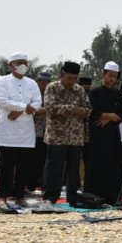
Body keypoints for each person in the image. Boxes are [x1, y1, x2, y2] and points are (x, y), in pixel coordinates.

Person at [0, 52, 42, 206]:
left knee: (24, 165)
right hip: (7, 131)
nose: (23, 66)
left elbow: (38, 102)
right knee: (6, 166)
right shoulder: (2, 81)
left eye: (25, 63)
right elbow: (1, 100)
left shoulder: (32, 83)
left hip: (25, 132)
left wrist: (20, 110)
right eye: (19, 62)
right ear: (11, 65)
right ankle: (4, 196)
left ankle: (19, 195)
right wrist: (24, 107)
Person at [42, 61, 91, 205]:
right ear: (61, 75)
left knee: (73, 170)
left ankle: (73, 197)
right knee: (54, 169)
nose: (72, 82)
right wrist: (72, 109)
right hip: (56, 137)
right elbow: (50, 108)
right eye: (69, 78)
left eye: (75, 78)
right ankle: (51, 197)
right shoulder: (52, 88)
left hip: (75, 137)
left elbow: (88, 109)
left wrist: (78, 111)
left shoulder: (79, 90)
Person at [86, 62, 122, 205]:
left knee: (113, 165)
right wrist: (107, 115)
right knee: (97, 164)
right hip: (98, 135)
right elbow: (91, 113)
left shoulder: (118, 94)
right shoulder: (95, 92)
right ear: (103, 74)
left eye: (115, 77)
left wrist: (111, 118)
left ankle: (112, 197)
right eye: (110, 76)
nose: (112, 79)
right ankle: (94, 196)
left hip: (112, 135)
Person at [32, 70, 53, 191]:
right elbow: (34, 112)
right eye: (42, 83)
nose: (44, 86)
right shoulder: (32, 94)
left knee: (44, 159)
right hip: (33, 133)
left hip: (47, 133)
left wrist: (43, 111)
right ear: (37, 82)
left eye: (47, 83)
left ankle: (41, 182)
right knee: (33, 159)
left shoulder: (50, 95)